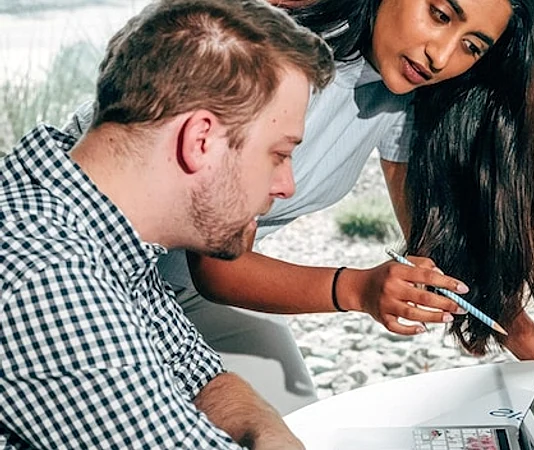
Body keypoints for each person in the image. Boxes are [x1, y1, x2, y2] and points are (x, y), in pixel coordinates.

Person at [64, 0, 534, 411]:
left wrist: (527, 338)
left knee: (296, 418)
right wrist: (358, 289)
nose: (440, 55)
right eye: (439, 14)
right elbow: (217, 270)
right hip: (88, 263)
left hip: (171, 288)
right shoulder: (274, 48)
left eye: (471, 46)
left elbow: (438, 241)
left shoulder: (401, 91)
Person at [0, 0, 333, 448]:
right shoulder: (51, 276)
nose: (287, 185)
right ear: (199, 141)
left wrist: (266, 429)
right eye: (279, 154)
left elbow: (200, 373)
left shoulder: (101, 222)